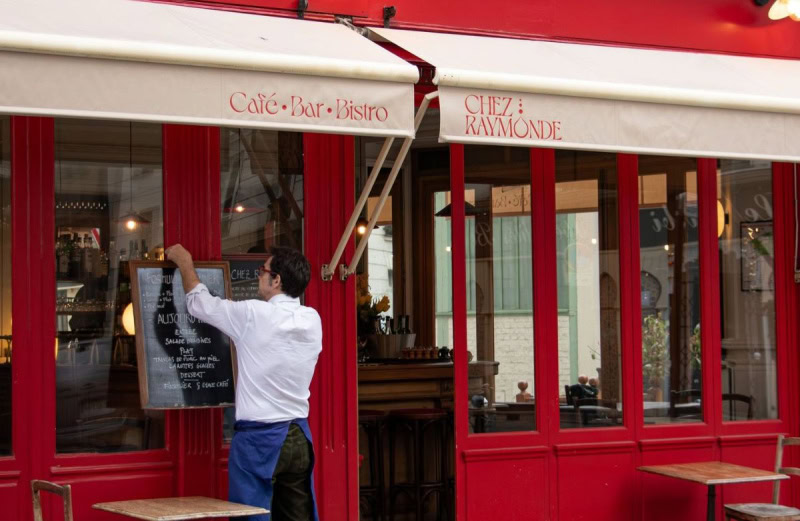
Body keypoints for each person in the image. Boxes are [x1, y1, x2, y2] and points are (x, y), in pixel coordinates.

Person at [165, 243, 322, 521]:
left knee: (250, 516)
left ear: (277, 280)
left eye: (263, 271)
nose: (258, 275)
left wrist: (185, 263)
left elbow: (199, 303)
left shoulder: (253, 314)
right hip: (299, 435)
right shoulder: (312, 319)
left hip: (259, 439)